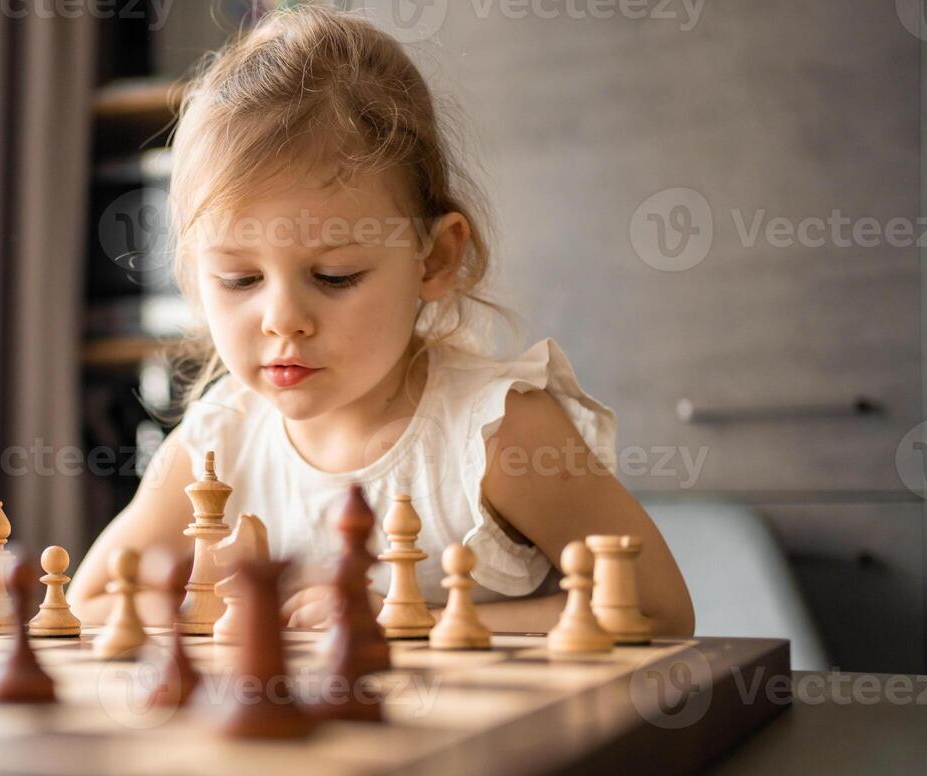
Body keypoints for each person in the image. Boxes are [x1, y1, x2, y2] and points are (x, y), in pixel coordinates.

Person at [71, 6, 693, 635]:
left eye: (335, 276)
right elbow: (90, 600)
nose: (283, 320)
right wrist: (216, 611)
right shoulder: (218, 445)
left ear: (436, 258)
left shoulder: (499, 435)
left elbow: (660, 610)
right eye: (240, 280)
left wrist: (416, 616)